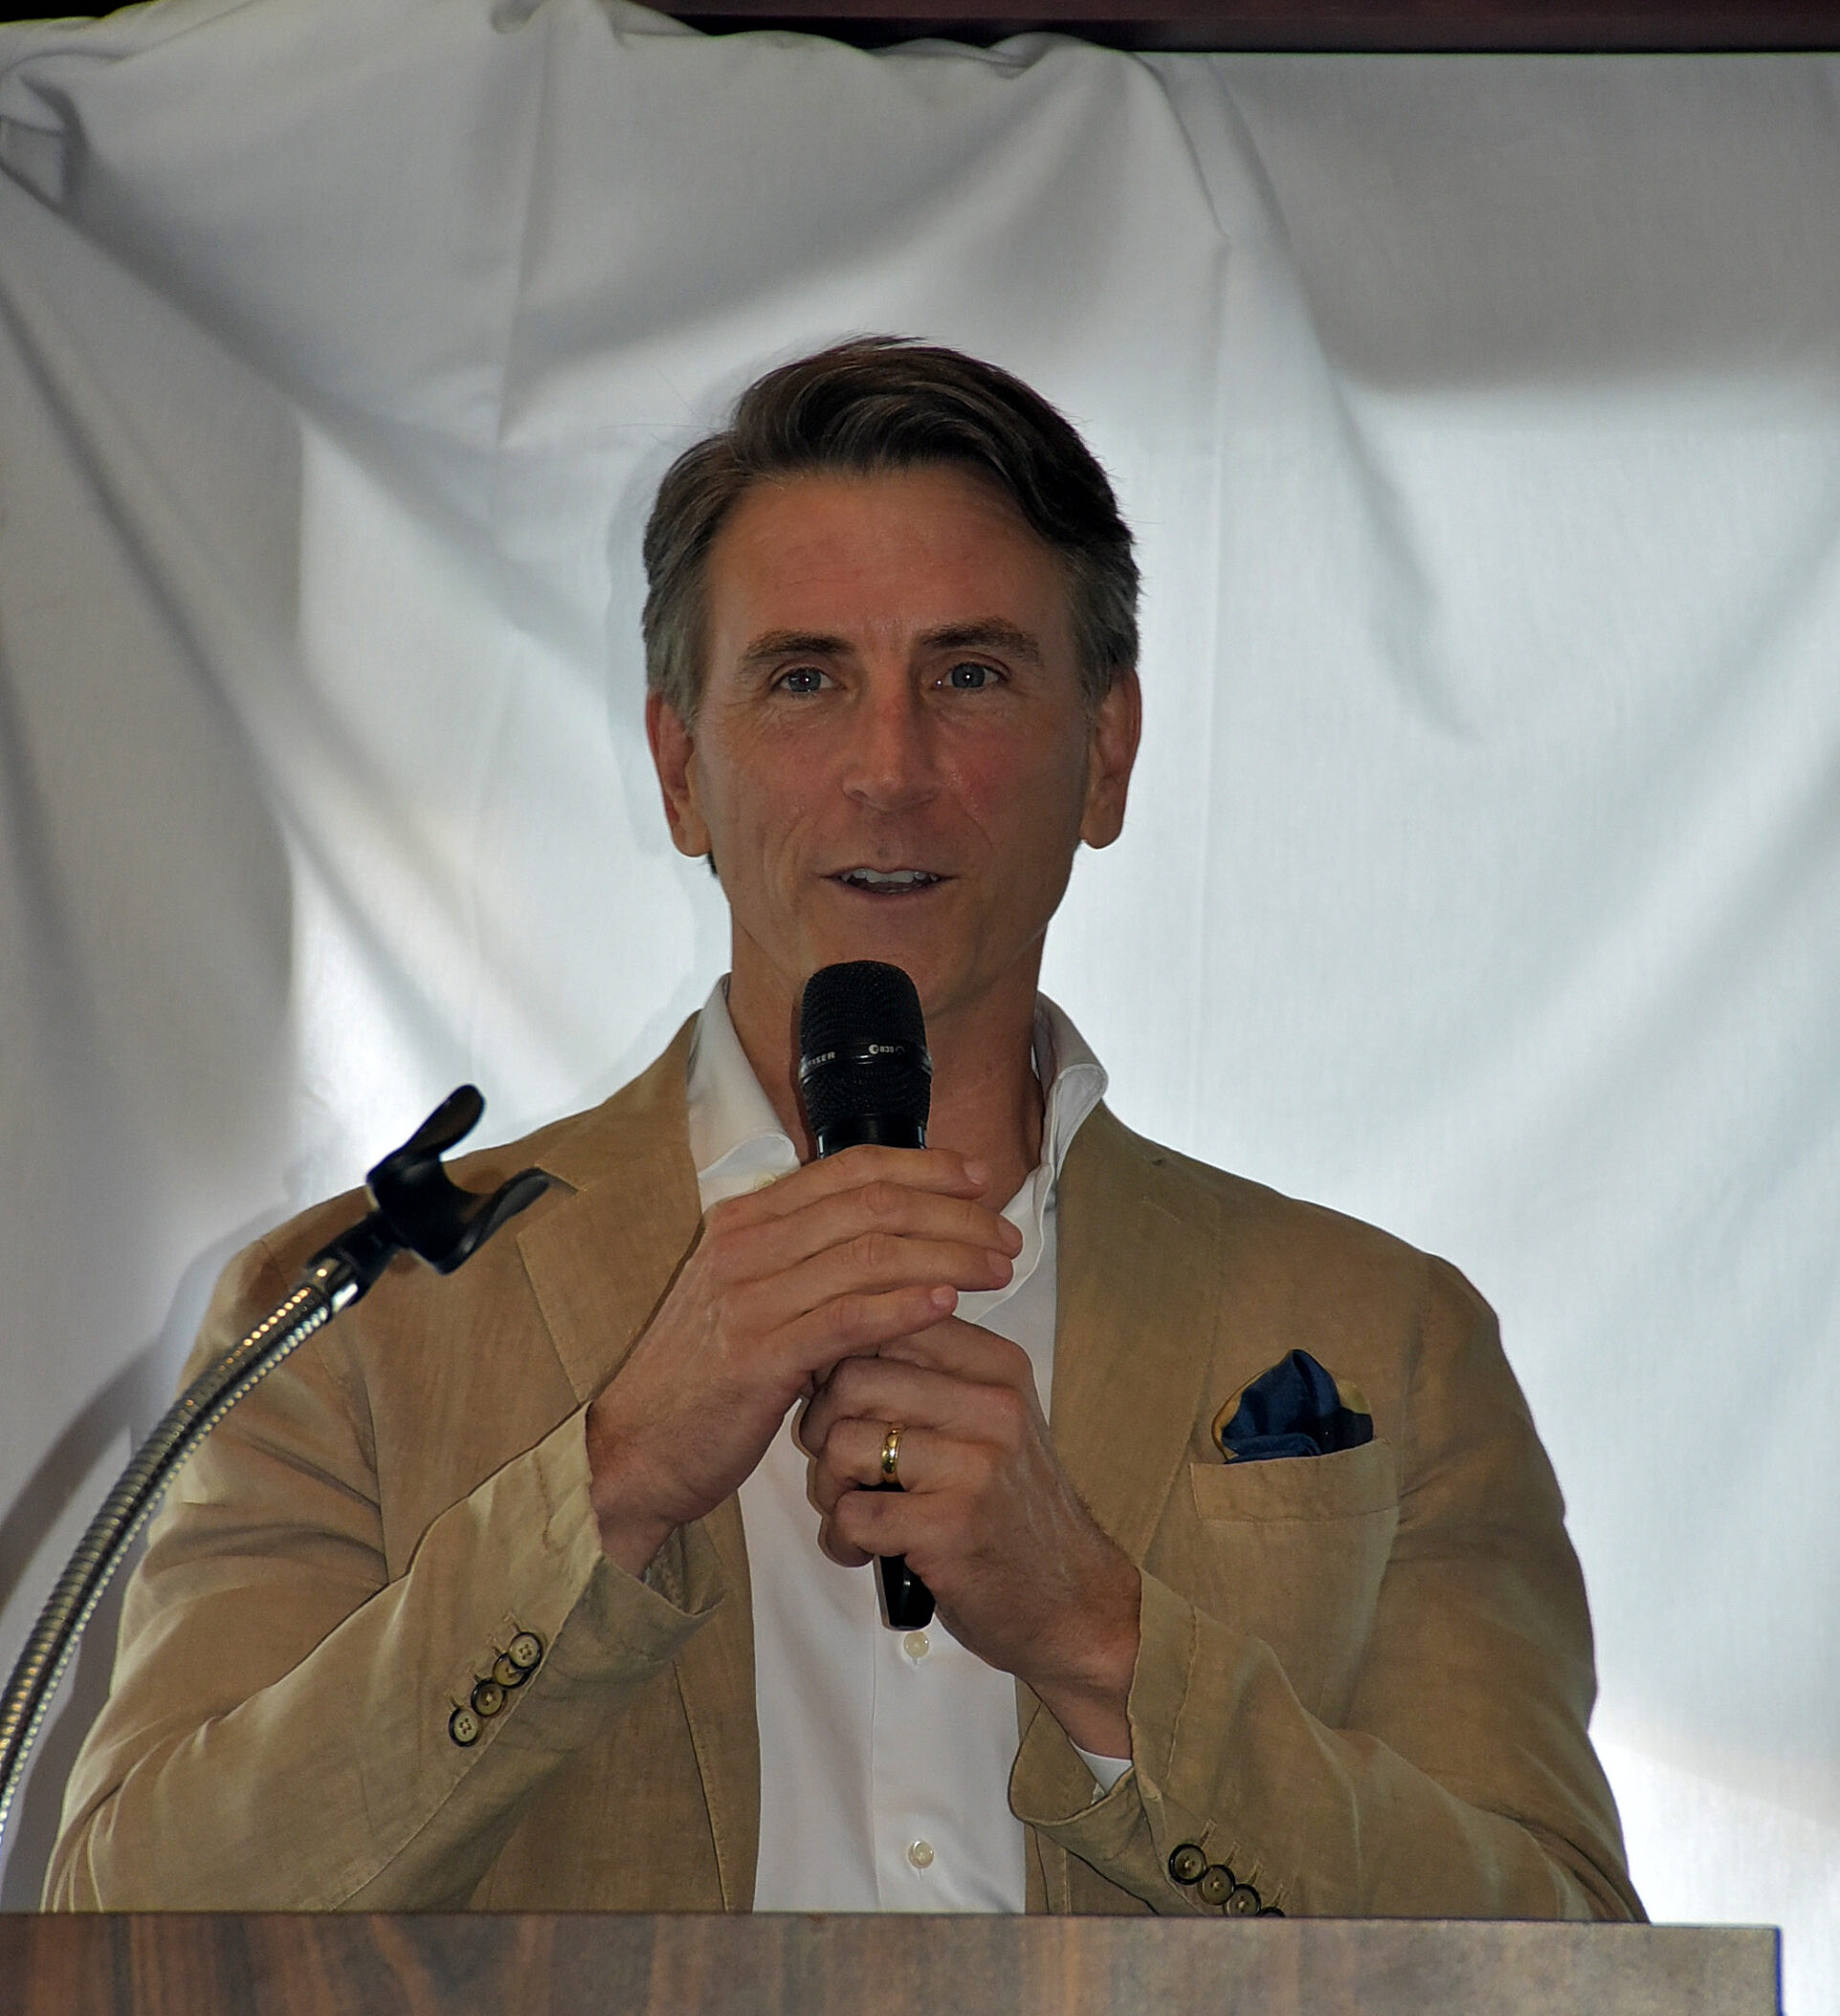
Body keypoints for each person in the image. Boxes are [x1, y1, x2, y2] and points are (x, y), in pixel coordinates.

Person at [48, 339, 1640, 1921]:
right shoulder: (350, 1317)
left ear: (1107, 753)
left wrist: (1103, 1640)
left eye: (971, 675)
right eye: (805, 679)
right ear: (681, 768)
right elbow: (123, 1937)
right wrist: (610, 1484)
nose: (892, 770)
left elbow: (1575, 1992)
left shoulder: (1386, 1340)